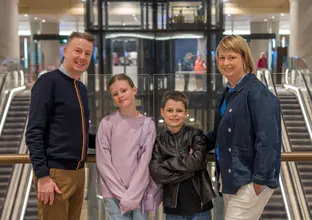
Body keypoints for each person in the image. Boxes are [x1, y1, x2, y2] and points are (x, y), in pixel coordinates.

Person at [206, 35, 281, 220]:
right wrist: (191, 141)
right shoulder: (227, 93)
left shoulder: (257, 93)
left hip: (249, 181)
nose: (226, 63)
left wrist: (259, 182)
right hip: (232, 179)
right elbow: (218, 135)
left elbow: (268, 140)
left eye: (232, 57)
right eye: (221, 58)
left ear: (244, 58)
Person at [26, 31, 96, 220]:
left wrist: (111, 140)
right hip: (55, 175)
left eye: (87, 54)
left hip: (79, 173)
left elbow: (77, 132)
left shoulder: (80, 87)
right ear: (66, 51)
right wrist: (43, 176)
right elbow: (34, 132)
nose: (82, 57)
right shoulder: (48, 83)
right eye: (78, 51)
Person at [96, 74, 156, 219]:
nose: (120, 96)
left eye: (123, 90)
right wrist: (122, 194)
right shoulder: (107, 123)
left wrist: (132, 194)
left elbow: (145, 162)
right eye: (115, 94)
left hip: (140, 194)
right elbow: (103, 163)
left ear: (134, 90)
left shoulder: (148, 124)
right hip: (112, 194)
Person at [149, 91, 215, 220]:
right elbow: (156, 172)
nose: (174, 114)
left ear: (186, 113)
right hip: (173, 209)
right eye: (170, 110)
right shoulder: (159, 141)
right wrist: (189, 171)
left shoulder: (196, 135)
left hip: (200, 205)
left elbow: (197, 162)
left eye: (179, 110)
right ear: (162, 112)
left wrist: (167, 163)